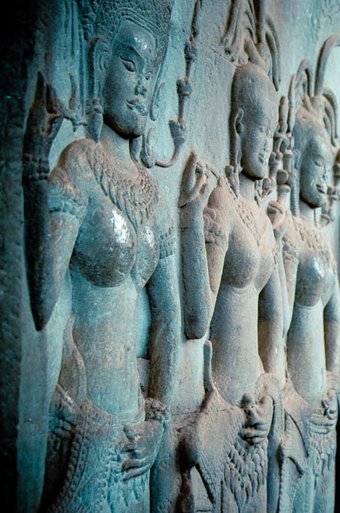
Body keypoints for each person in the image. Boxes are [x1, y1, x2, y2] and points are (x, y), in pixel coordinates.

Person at [22, 1, 179, 510]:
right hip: (82, 428)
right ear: (99, 60)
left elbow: (169, 320)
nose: (141, 86)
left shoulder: (154, 197)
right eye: (129, 64)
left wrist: (157, 419)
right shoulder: (81, 165)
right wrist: (31, 172)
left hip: (136, 438)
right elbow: (44, 303)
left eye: (149, 74)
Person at [177, 40, 288, 513]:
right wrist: (190, 221)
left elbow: (277, 325)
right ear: (240, 127)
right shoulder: (220, 203)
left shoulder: (265, 221)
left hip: (256, 403)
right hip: (219, 400)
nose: (268, 145)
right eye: (262, 132)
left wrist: (271, 396)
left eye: (273, 136)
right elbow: (197, 319)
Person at [278, 35, 340, 513]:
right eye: (318, 166)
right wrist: (286, 391)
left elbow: (336, 319)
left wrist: (330, 379)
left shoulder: (321, 242)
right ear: (298, 161)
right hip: (291, 391)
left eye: (329, 170)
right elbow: (278, 316)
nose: (326, 181)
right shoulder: (284, 231)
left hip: (320, 391)